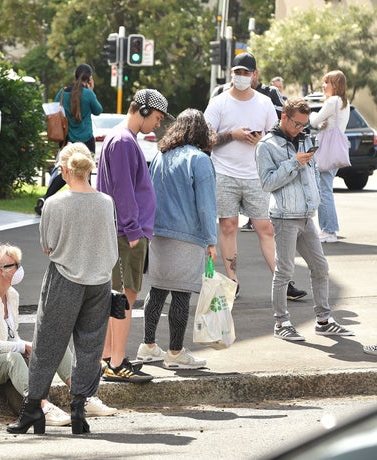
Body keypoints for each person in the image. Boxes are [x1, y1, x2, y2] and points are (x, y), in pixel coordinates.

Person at [8, 144, 118, 435]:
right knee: (90, 347)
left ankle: (32, 408)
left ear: (66, 170)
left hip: (65, 278)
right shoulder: (106, 201)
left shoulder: (54, 204)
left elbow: (47, 246)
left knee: (48, 343)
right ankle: (79, 408)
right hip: (99, 281)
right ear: (88, 168)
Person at [204, 52, 306, 301]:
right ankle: (232, 281)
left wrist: (261, 141)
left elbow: (278, 137)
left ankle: (284, 280)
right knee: (228, 227)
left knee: (266, 228)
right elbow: (205, 139)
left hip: (256, 176)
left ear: (254, 75)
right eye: (237, 72)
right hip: (224, 174)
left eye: (245, 73)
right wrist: (232, 135)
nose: (240, 76)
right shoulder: (219, 103)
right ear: (231, 73)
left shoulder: (263, 103)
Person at [256, 97, 354, 341]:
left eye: (304, 124)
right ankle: (281, 323)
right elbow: (267, 183)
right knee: (284, 271)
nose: (301, 128)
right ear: (284, 118)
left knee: (320, 266)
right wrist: (293, 163)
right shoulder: (266, 145)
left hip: (306, 216)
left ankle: (323, 320)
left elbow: (312, 177)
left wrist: (315, 203)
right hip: (284, 217)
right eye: (297, 124)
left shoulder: (305, 139)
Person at [95, 88, 170, 383]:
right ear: (141, 110)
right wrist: (133, 228)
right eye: (157, 117)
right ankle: (116, 362)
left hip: (122, 230)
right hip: (127, 232)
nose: (158, 124)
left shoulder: (120, 137)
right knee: (125, 297)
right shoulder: (125, 141)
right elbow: (123, 190)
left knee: (117, 295)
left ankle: (107, 357)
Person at [0, 240, 71, 428]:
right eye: (14, 265)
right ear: (0, 270)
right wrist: (23, 346)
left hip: (3, 362)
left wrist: (28, 346)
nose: (19, 269)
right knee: (14, 358)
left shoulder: (13, 295)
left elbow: (12, 337)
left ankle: (82, 396)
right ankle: (41, 407)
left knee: (52, 344)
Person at [137, 109, 217, 369]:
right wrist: (211, 239)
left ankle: (148, 346)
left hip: (158, 233)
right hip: (188, 235)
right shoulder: (200, 160)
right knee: (181, 294)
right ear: (202, 131)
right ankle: (175, 352)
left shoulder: (160, 156)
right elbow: (206, 205)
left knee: (157, 290)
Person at [34, 64, 103, 215]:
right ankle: (86, 205)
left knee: (65, 171)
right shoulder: (88, 94)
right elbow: (98, 110)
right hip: (86, 139)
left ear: (75, 76)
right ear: (89, 78)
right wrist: (92, 91)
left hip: (68, 140)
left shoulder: (63, 93)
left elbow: (56, 109)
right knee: (86, 171)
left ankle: (46, 198)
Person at [309, 70, 349, 244]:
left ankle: (329, 230)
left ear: (336, 84)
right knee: (326, 190)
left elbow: (313, 121)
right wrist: (321, 124)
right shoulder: (344, 103)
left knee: (324, 191)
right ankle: (328, 229)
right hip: (336, 149)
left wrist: (313, 117)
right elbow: (323, 123)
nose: (324, 86)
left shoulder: (332, 101)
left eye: (327, 82)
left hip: (327, 150)